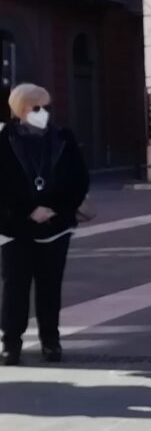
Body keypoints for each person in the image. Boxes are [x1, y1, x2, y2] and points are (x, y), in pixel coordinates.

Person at [0, 83, 89, 365]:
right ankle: (11, 343)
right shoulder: (3, 140)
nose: (44, 113)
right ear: (20, 109)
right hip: (15, 227)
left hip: (55, 225)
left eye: (46, 107)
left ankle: (50, 340)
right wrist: (28, 210)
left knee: (50, 286)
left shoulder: (62, 138)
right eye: (37, 107)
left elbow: (79, 179)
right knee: (15, 287)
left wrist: (55, 209)